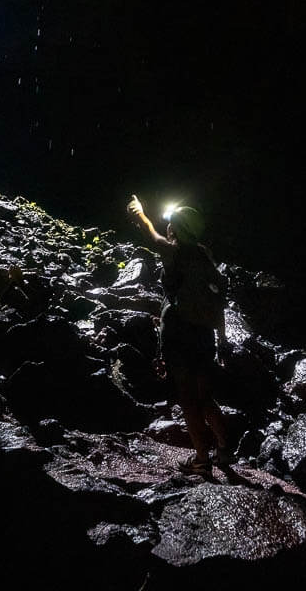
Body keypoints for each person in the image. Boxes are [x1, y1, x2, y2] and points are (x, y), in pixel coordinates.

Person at [126, 194, 232, 474]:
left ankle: (201, 460)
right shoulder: (204, 255)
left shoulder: (173, 252)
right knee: (205, 397)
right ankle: (223, 450)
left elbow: (148, 230)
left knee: (188, 400)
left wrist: (139, 211)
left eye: (172, 223)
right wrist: (222, 339)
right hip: (204, 335)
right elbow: (218, 298)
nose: (168, 227)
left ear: (177, 228)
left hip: (180, 334)